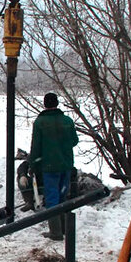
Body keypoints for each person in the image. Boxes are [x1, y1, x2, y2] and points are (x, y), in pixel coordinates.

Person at [30, 92, 78, 240]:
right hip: (66, 164)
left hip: (50, 166)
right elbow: (74, 141)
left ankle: (56, 232)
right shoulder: (67, 121)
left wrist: (33, 163)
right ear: (57, 104)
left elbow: (36, 146)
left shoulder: (40, 123)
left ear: (45, 104)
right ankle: (64, 229)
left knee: (52, 198)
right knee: (63, 196)